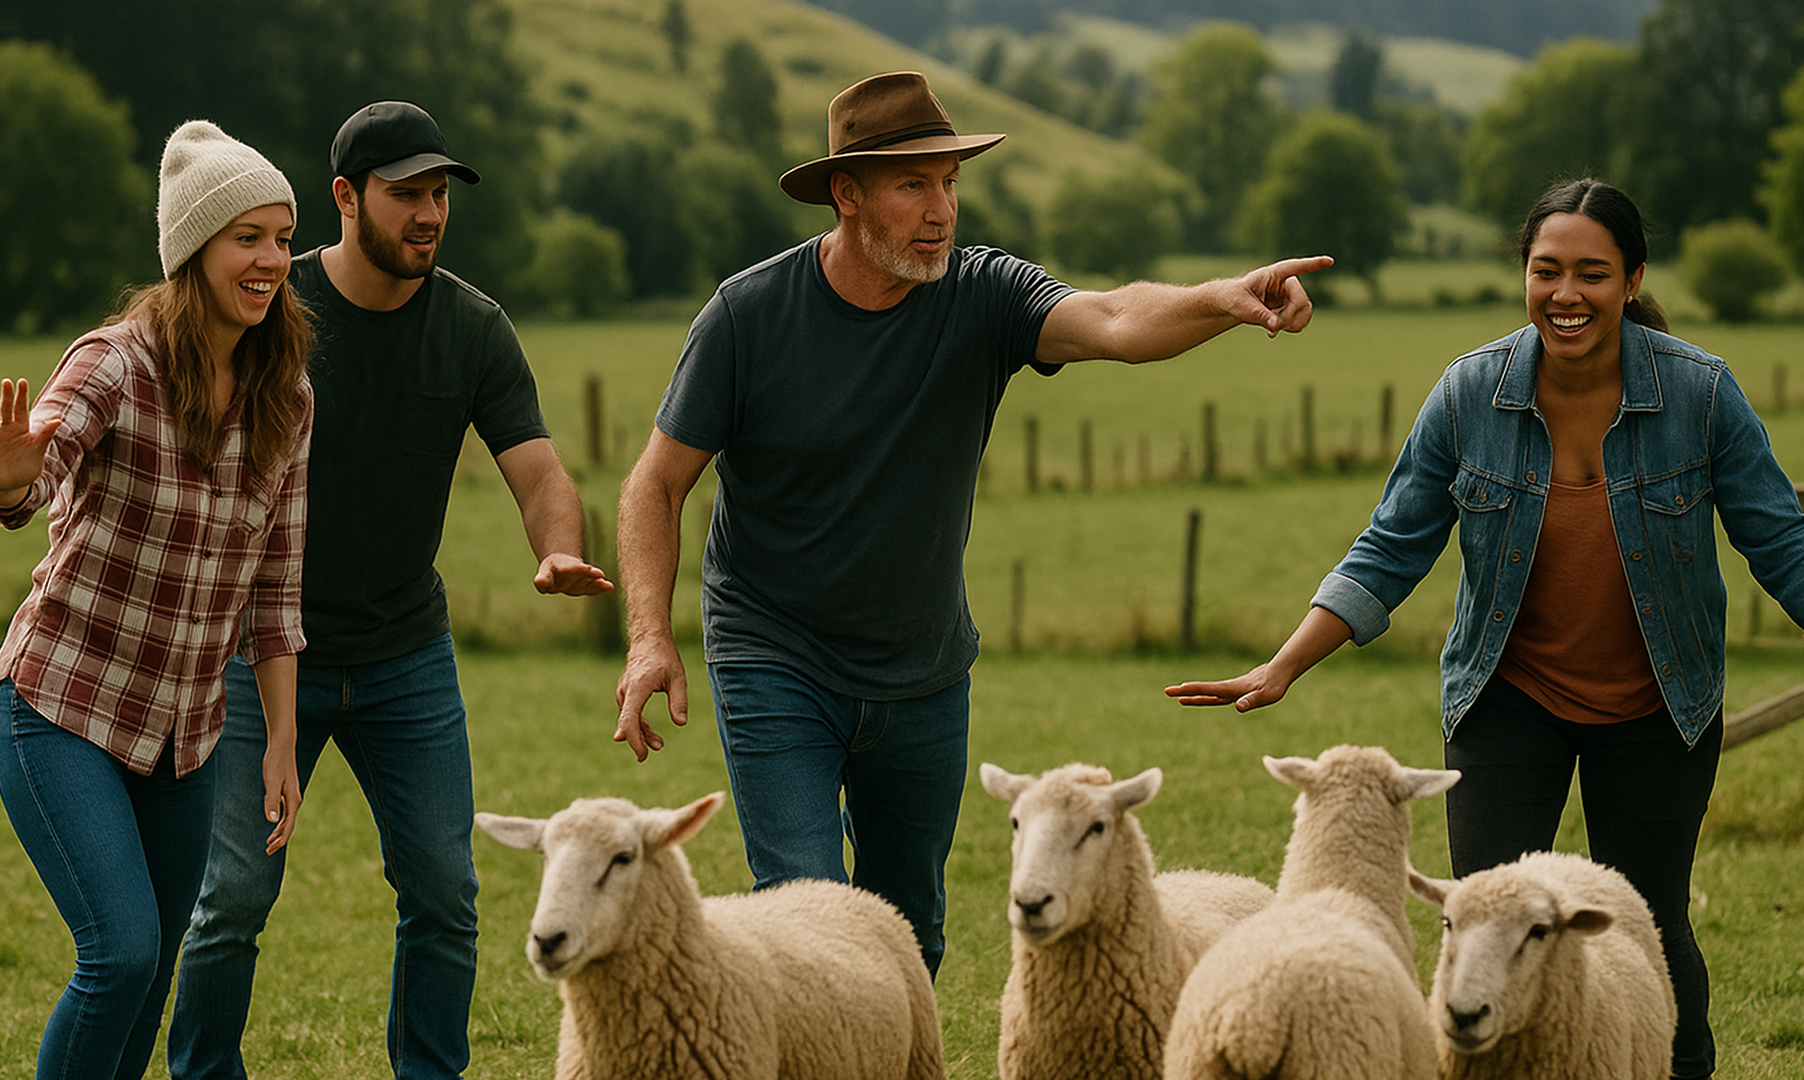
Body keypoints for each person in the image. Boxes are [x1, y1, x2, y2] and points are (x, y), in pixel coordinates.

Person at [1167, 178, 1804, 1079]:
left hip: (1658, 705)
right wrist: (1283, 666)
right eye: (1546, 270)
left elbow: (1780, 532)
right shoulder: (1468, 393)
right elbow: (1389, 547)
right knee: (1482, 921)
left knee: (1649, 923)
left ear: (1632, 280)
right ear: (1524, 275)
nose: (1566, 294)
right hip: (1506, 699)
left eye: (1592, 274)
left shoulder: (1700, 395)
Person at [613, 70, 1332, 977]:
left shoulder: (982, 292)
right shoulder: (748, 315)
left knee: (911, 935)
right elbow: (654, 484)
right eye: (914, 183)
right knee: (802, 918)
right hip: (773, 654)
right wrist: (649, 637)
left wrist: (1223, 297)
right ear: (847, 194)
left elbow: (1110, 317)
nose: (941, 208)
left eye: (950, 182)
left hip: (921, 668)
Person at [168, 101, 610, 1080]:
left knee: (446, 889)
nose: (428, 213)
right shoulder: (271, 313)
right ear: (345, 197)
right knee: (234, 894)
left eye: (439, 194)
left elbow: (538, 472)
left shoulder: (472, 327)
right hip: (258, 652)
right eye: (406, 193)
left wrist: (558, 548)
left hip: (406, 652)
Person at [0, 120, 311, 1080]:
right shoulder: (116, 363)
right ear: (191, 250)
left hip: (187, 735)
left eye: (283, 238)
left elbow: (277, 585)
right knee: (121, 952)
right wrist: (12, 476)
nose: (270, 261)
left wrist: (285, 745)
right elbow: (36, 475)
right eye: (245, 238)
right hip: (62, 707)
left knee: (153, 973)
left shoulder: (287, 395)